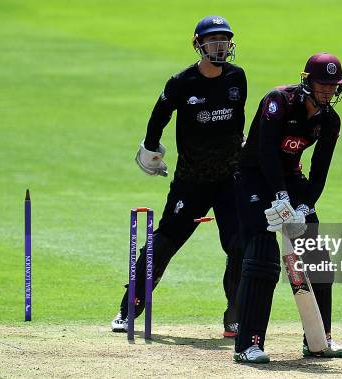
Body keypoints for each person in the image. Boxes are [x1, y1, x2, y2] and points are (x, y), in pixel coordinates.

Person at [111, 15, 247, 337]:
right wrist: (149, 146)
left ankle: (235, 316)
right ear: (198, 44)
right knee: (163, 243)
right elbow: (159, 115)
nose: (219, 45)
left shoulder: (237, 77)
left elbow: (238, 121)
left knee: (240, 246)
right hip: (192, 182)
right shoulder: (182, 82)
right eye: (212, 40)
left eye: (224, 39)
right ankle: (129, 310)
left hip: (230, 180)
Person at [233, 53, 342, 362]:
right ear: (307, 81)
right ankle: (248, 344)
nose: (326, 92)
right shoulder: (279, 101)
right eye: (321, 85)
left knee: (316, 256)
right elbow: (266, 152)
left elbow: (320, 171)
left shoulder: (330, 121)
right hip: (254, 177)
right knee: (262, 256)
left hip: (291, 178)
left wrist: (303, 205)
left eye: (332, 86)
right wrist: (281, 197)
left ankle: (318, 339)